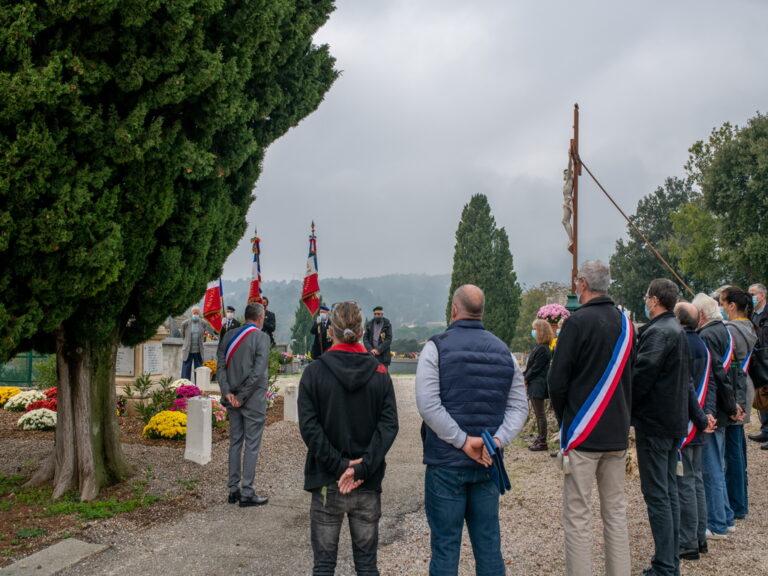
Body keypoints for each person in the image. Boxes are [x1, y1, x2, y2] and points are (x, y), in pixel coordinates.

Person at [416, 284, 528, 575]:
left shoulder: (435, 347)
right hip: (488, 460)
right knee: (489, 544)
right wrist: (498, 440)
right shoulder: (504, 352)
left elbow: (428, 405)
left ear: (454, 309)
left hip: (445, 462)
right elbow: (519, 407)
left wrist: (463, 440)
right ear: (482, 312)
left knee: (445, 546)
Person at [298, 301, 399, 575]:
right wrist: (361, 466)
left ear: (331, 331)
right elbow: (389, 425)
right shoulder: (380, 373)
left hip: (327, 479)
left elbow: (310, 428)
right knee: (366, 565)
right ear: (361, 329)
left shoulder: (314, 373)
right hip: (367, 480)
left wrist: (340, 467)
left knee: (323, 566)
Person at [548, 260, 634, 576]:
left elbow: (557, 382)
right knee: (615, 513)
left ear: (582, 283)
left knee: (578, 515)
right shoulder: (626, 324)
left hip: (584, 433)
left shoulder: (576, 323)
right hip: (617, 430)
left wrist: (565, 420)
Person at [632, 278, 689, 576]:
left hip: (655, 423)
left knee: (658, 494)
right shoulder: (676, 330)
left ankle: (665, 565)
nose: (645, 301)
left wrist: (622, 407)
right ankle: (670, 560)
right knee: (668, 492)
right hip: (672, 420)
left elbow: (642, 376)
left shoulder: (658, 333)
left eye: (646, 296)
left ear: (654, 300)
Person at [692, 292, 740, 541]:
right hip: (723, 405)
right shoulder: (723, 330)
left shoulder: (707, 335)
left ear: (700, 315)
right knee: (717, 466)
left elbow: (716, 375)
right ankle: (727, 516)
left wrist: (727, 407)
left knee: (710, 468)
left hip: (713, 407)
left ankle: (717, 523)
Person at [673, 302, 717, 561]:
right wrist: (708, 414)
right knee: (696, 479)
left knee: (686, 482)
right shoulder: (701, 342)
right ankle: (699, 536)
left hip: (689, 420)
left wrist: (700, 418)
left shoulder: (684, 344)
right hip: (701, 417)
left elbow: (687, 386)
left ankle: (688, 541)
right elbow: (710, 380)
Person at [216, 302, 271, 507]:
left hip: (232, 398)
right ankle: (247, 492)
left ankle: (233, 490)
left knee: (235, 442)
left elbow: (220, 368)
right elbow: (258, 372)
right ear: (260, 317)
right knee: (252, 444)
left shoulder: (229, 336)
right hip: (253, 399)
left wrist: (228, 392)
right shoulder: (262, 337)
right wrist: (242, 395)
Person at [719, 286, 756, 522]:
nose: (721, 307)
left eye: (722, 303)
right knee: (738, 448)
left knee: (732, 450)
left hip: (736, 390)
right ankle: (740, 498)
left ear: (732, 305)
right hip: (746, 386)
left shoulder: (730, 330)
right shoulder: (749, 327)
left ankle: (737, 503)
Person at [524, 319, 553, 452]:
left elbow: (535, 368)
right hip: (535, 383)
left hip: (538, 384)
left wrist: (525, 378)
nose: (533, 332)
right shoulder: (539, 347)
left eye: (535, 329)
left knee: (540, 414)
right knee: (538, 413)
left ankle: (542, 441)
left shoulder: (543, 349)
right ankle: (540, 438)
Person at [747, 283, 768, 447]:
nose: (751, 297)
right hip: (759, 359)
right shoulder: (752, 315)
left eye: (753, 294)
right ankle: (766, 430)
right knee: (762, 394)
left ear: (762, 295)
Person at [180, 306, 213, 380]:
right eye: (194, 313)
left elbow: (205, 333)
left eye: (197, 313)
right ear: (191, 313)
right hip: (188, 350)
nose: (196, 314)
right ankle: (185, 385)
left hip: (198, 350)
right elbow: (183, 336)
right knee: (186, 368)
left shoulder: (203, 323)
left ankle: (199, 385)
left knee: (199, 368)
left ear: (199, 313)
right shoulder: (185, 323)